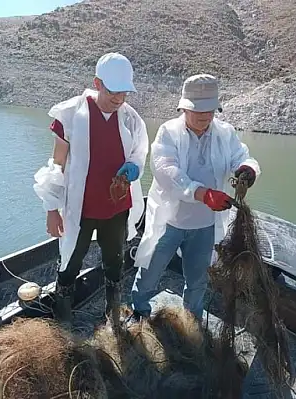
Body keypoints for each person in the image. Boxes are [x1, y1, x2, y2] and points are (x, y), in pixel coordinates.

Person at [129, 73, 260, 322]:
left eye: (210, 111)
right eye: (199, 111)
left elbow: (241, 156)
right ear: (184, 108)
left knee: (198, 278)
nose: (205, 116)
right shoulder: (168, 132)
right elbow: (166, 171)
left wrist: (247, 169)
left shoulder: (225, 133)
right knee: (151, 269)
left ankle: (192, 321)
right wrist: (202, 193)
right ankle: (139, 310)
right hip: (171, 220)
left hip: (205, 224)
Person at [32, 52, 149, 325]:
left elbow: (139, 153)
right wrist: (51, 209)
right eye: (112, 93)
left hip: (117, 208)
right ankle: (63, 320)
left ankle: (114, 317)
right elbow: (57, 165)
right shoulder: (71, 115)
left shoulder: (131, 119)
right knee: (70, 261)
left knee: (115, 262)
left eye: (123, 94)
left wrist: (133, 167)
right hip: (80, 208)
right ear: (97, 83)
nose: (118, 100)